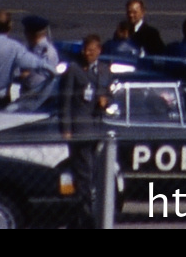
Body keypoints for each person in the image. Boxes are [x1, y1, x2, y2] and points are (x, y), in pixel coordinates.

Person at [59, 34, 115, 228]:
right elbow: (65, 101)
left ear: (99, 51)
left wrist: (106, 100)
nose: (87, 54)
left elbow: (110, 93)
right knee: (84, 174)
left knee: (95, 174)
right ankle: (86, 217)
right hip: (81, 129)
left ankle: (84, 214)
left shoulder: (105, 70)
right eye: (85, 50)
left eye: (91, 50)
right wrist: (66, 128)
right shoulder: (74, 70)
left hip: (98, 128)